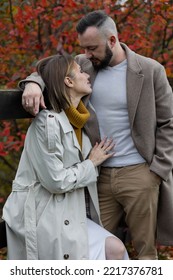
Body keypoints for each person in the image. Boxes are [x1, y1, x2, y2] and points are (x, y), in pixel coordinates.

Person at [18, 10, 173, 260]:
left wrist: (158, 170)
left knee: (146, 252)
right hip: (96, 175)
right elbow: (50, 70)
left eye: (92, 48)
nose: (87, 54)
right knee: (94, 250)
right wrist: (33, 84)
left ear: (112, 40)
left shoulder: (151, 70)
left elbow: (168, 122)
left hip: (140, 174)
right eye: (84, 49)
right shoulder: (84, 66)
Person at [2, 53, 129, 260]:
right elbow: (56, 181)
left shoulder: (80, 120)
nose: (87, 75)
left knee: (115, 248)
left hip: (69, 210)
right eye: (80, 72)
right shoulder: (48, 123)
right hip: (45, 215)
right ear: (68, 81)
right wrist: (91, 163)